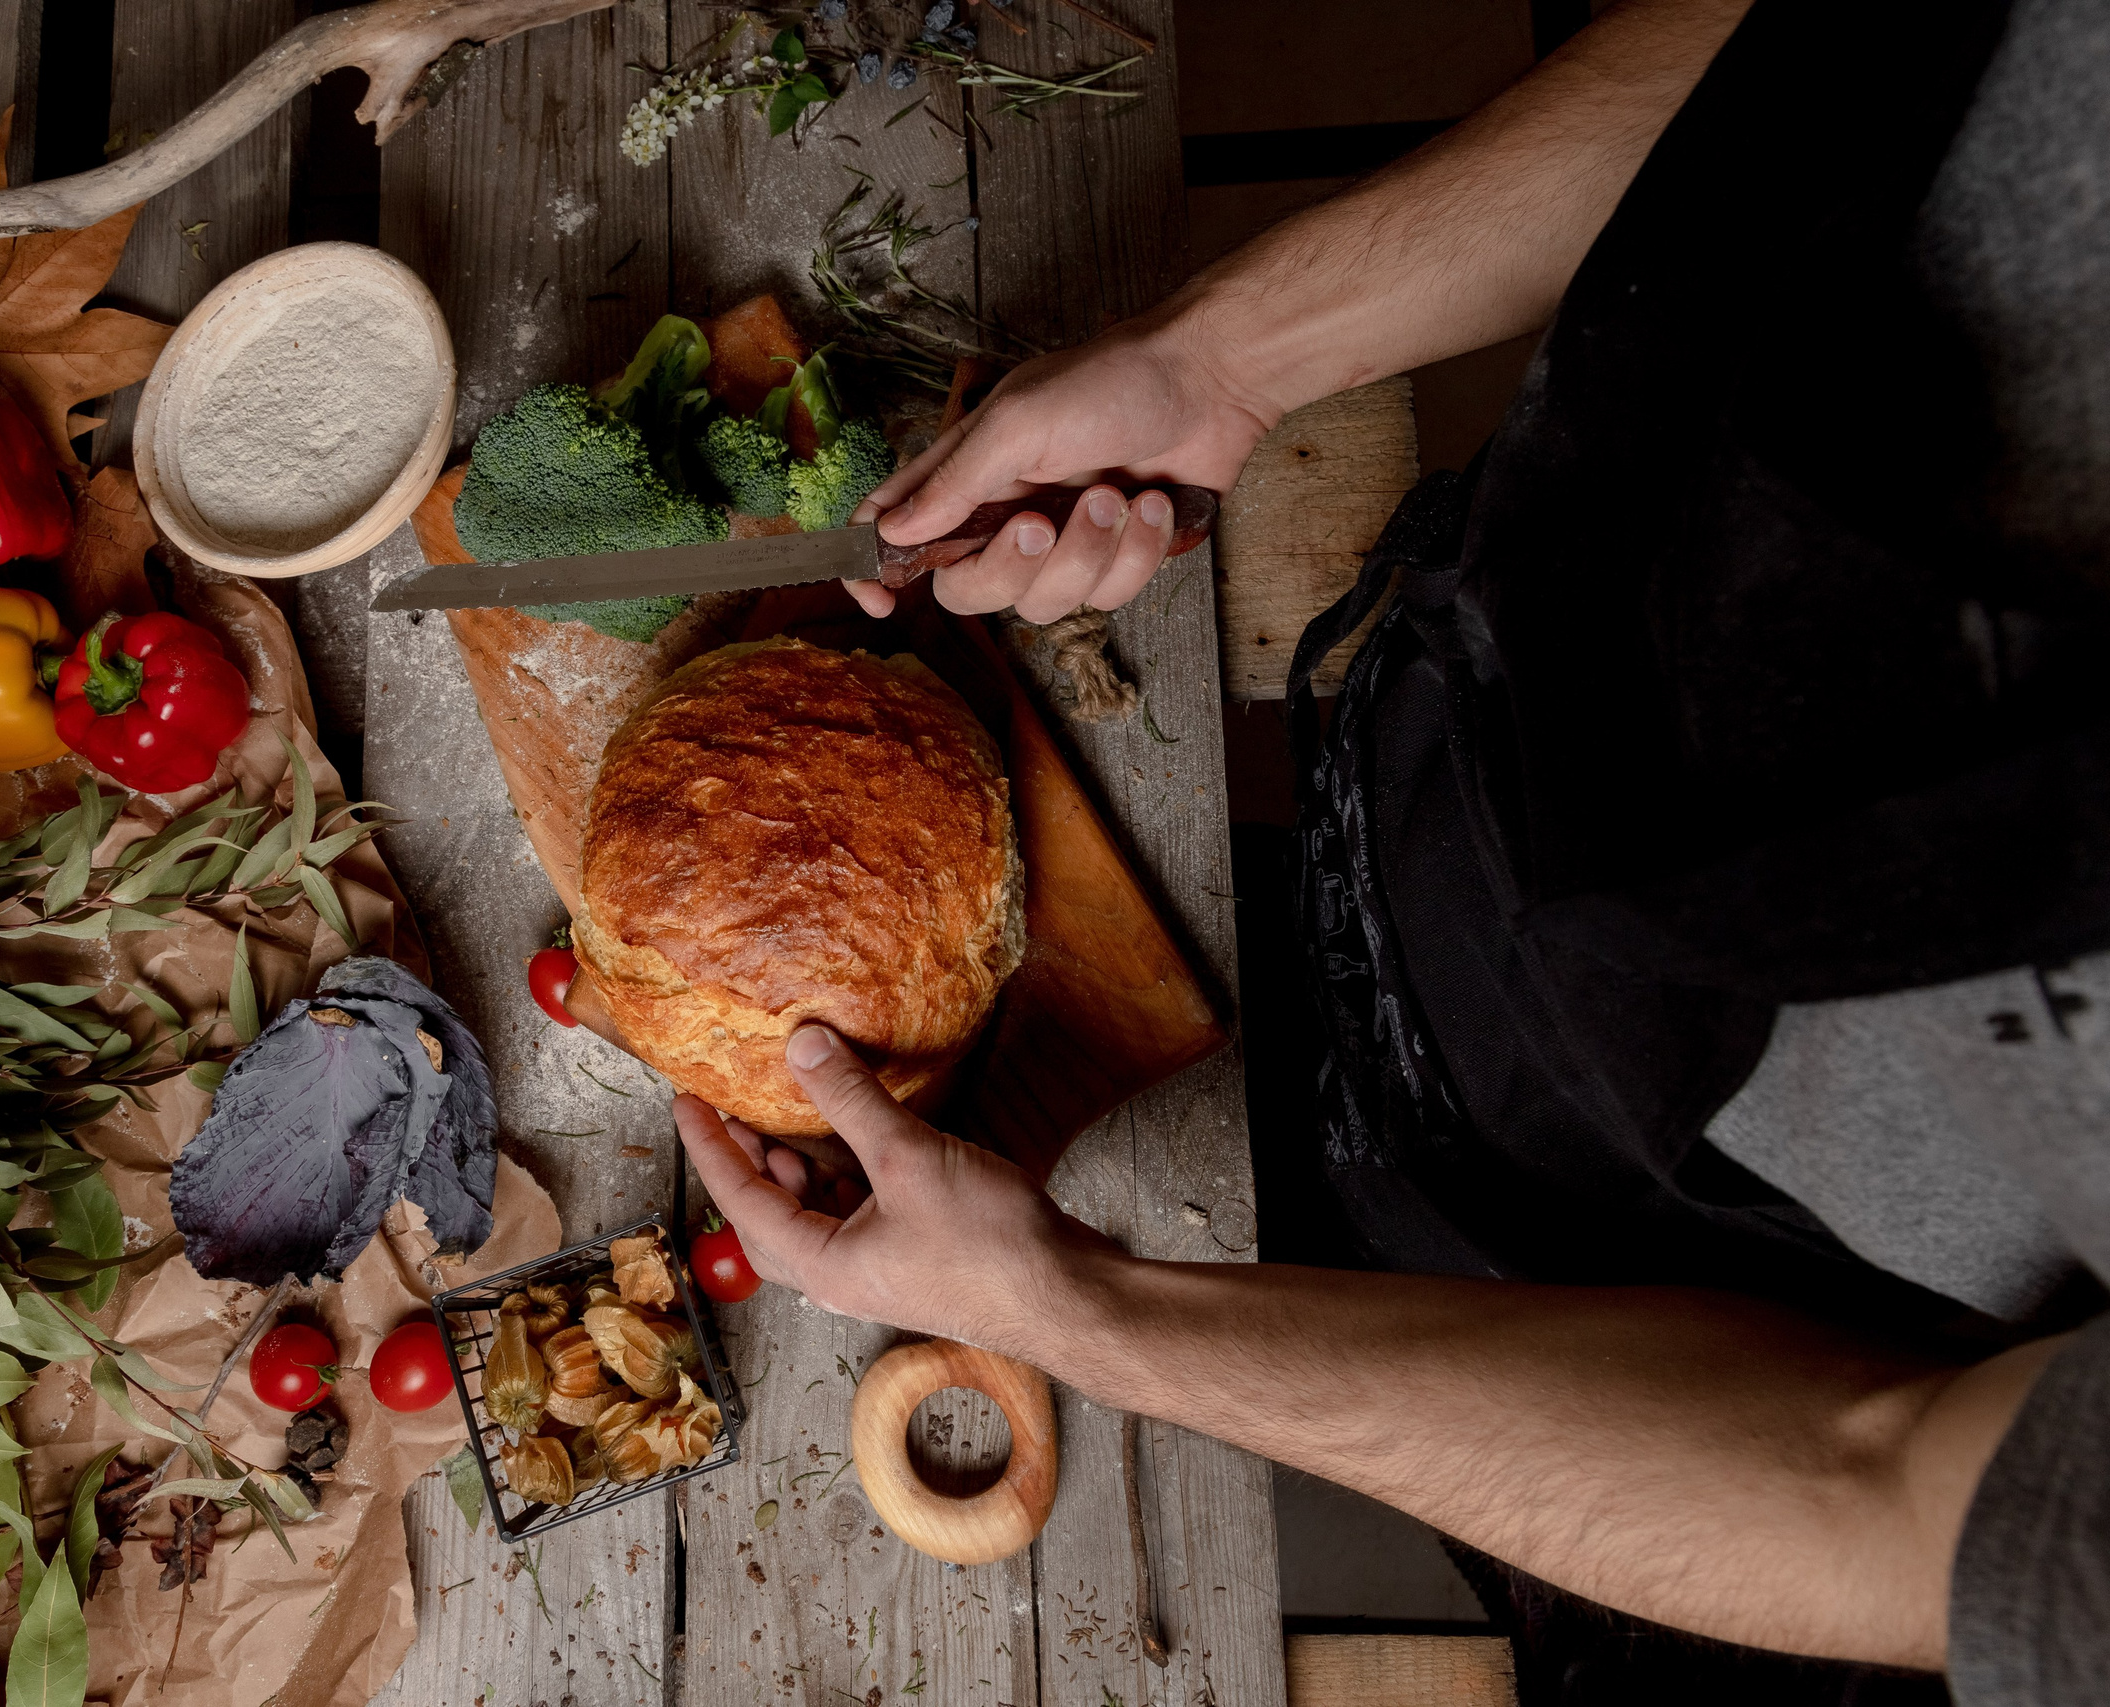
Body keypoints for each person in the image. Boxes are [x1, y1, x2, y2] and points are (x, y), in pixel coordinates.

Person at [677, 1, 2110, 1703]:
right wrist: (1224, 360)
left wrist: (1083, 1313)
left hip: (1742, 1300)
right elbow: (1813, 61)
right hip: (1501, 717)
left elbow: (1878, 1486)